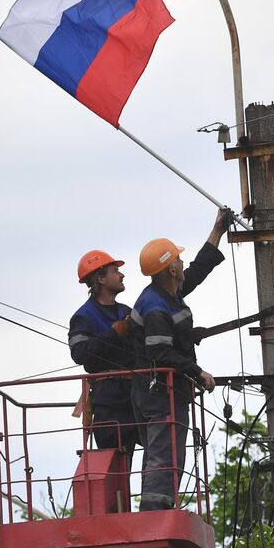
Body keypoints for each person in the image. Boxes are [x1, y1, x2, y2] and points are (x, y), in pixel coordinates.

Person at [130, 207, 234, 510]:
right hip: (159, 393)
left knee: (163, 452)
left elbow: (199, 270)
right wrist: (197, 371)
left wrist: (217, 231)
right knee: (165, 454)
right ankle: (155, 514)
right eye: (177, 259)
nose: (182, 261)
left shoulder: (168, 292)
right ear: (171, 270)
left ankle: (157, 509)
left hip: (157, 390)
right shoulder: (156, 307)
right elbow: (160, 352)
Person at [68, 249, 137, 454]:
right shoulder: (84, 316)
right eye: (115, 271)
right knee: (114, 459)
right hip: (108, 400)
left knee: (155, 447)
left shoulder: (126, 312)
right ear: (101, 279)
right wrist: (113, 334)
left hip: (135, 394)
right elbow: (79, 353)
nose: (122, 274)